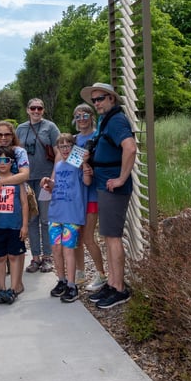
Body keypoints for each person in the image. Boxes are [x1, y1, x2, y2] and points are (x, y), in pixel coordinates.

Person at [81, 83, 137, 310]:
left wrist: (122, 178)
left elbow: (130, 148)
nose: (97, 103)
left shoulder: (116, 121)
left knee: (112, 238)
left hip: (113, 187)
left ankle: (119, 289)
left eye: (101, 98)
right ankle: (113, 283)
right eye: (94, 100)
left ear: (112, 99)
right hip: (105, 186)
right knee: (108, 236)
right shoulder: (108, 121)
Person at [0, 121, 30, 296]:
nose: (3, 138)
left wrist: (1, 181)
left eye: (7, 134)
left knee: (16, 247)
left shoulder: (19, 152)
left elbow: (24, 174)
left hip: (17, 197)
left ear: (12, 135)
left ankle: (17, 283)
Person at [41, 133, 87, 303]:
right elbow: (55, 187)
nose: (65, 149)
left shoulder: (79, 165)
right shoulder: (58, 165)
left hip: (72, 214)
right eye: (62, 146)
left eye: (68, 146)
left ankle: (72, 284)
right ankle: (61, 280)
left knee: (69, 250)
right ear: (58, 149)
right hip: (56, 213)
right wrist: (48, 182)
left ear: (73, 148)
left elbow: (87, 181)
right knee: (56, 249)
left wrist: (86, 166)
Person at [16, 98, 60, 273]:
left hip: (44, 180)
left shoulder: (50, 127)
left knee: (45, 219)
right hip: (27, 180)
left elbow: (58, 153)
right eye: (33, 108)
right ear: (28, 110)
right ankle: (35, 257)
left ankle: (47, 257)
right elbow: (16, 152)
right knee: (31, 219)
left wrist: (52, 177)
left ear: (43, 110)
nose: (36, 111)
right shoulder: (20, 128)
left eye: (39, 108)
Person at [73, 103, 107, 292]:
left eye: (85, 115)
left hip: (92, 193)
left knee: (88, 237)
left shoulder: (98, 136)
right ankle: (80, 272)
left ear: (92, 116)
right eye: (78, 116)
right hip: (78, 194)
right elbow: (74, 164)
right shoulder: (75, 139)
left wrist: (85, 162)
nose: (82, 119)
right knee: (77, 237)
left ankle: (101, 273)